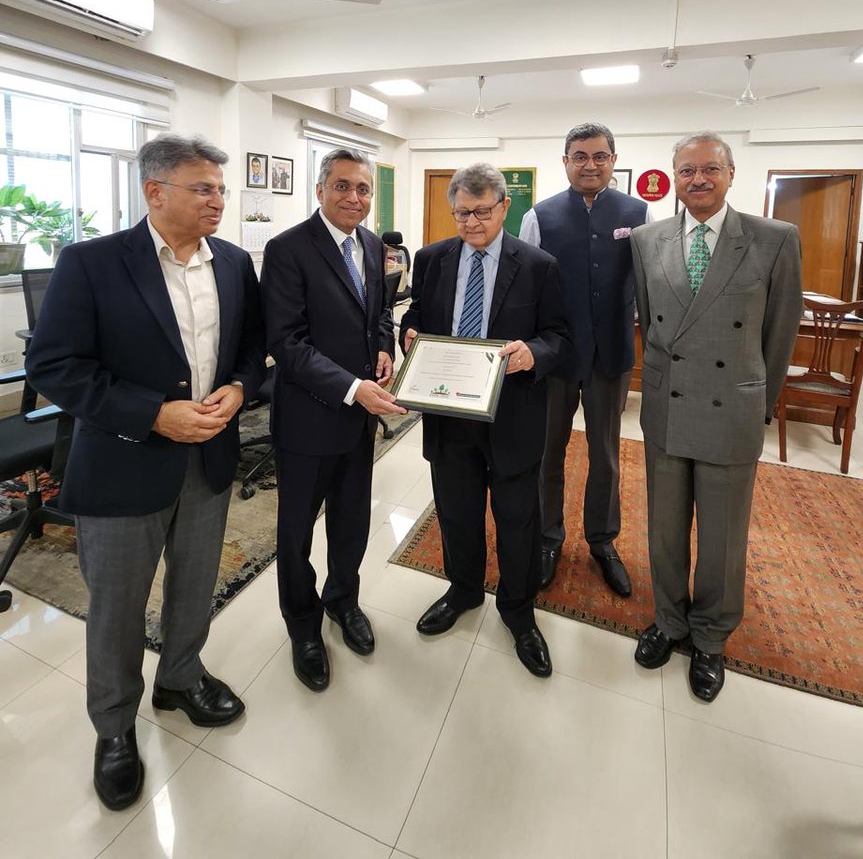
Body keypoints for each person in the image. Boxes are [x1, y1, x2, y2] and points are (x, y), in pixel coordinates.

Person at [25, 135, 266, 811]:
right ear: (155, 192)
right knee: (118, 609)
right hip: (124, 462)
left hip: (210, 454)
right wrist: (152, 414)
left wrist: (242, 388)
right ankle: (113, 728)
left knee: (195, 585)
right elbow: (55, 366)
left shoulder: (234, 264)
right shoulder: (92, 264)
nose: (218, 199)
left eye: (221, 188)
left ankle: (181, 679)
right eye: (203, 188)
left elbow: (252, 346)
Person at [630, 131, 803, 702]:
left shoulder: (774, 239)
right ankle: (669, 620)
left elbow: (779, 334)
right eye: (686, 171)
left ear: (732, 174)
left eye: (710, 169)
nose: (697, 180)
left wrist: (760, 398)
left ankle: (709, 635)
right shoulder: (646, 239)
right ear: (672, 178)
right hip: (668, 405)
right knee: (664, 525)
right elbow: (651, 321)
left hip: (733, 405)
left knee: (724, 537)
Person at [400, 163, 569, 678]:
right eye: (461, 213)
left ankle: (518, 612)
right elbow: (415, 317)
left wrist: (532, 353)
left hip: (512, 415)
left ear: (504, 207)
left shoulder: (538, 265)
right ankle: (464, 590)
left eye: (481, 212)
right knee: (456, 510)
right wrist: (409, 336)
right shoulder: (430, 260)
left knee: (518, 518)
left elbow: (561, 336)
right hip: (450, 414)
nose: (471, 222)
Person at [261, 147, 398, 692]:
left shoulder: (370, 244)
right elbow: (286, 343)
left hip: (357, 421)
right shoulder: (288, 249)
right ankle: (303, 624)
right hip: (308, 419)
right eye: (342, 186)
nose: (354, 198)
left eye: (363, 189)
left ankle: (344, 600)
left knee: (351, 520)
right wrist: (352, 387)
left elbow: (380, 310)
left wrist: (384, 346)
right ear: (319, 190)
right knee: (296, 532)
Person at [519, 123, 649, 596]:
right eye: (579, 156)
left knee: (606, 456)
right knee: (547, 453)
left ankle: (603, 541)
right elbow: (526, 288)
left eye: (599, 156)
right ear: (566, 161)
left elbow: (645, 283)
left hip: (611, 354)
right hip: (554, 357)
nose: (589, 164)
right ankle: (548, 538)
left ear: (613, 160)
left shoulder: (638, 213)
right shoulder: (540, 215)